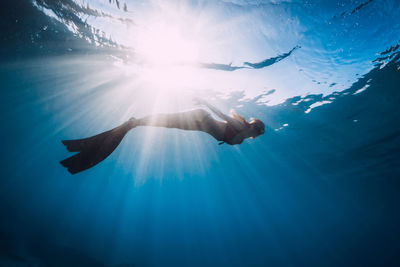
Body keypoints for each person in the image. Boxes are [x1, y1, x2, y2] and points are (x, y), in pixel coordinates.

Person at [60, 99, 265, 174]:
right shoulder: (240, 127)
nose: (254, 130)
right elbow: (220, 115)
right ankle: (132, 124)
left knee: (152, 123)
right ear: (252, 125)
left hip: (197, 126)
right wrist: (204, 102)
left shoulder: (241, 139)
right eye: (255, 127)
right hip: (198, 117)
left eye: (257, 131)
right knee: (156, 120)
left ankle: (131, 124)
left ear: (256, 136)